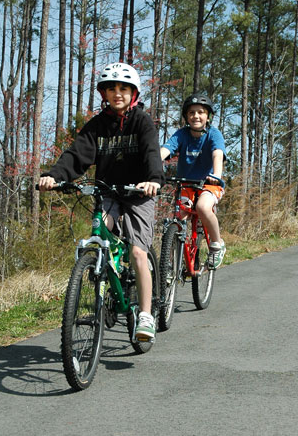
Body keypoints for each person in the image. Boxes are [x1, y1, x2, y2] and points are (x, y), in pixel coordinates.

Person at [38, 62, 164, 341]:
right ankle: (105, 275)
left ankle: (145, 314)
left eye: (123, 88)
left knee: (138, 253)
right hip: (107, 191)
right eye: (111, 89)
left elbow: (152, 153)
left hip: (139, 194)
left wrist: (154, 179)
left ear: (133, 93)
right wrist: (54, 176)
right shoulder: (97, 125)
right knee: (99, 231)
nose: (116, 93)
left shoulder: (141, 122)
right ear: (103, 93)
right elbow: (76, 155)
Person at [160, 92, 227, 269]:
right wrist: (152, 166)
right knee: (178, 218)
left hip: (209, 184)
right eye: (191, 113)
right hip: (186, 184)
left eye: (200, 112)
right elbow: (166, 150)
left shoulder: (214, 134)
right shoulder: (181, 135)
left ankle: (217, 245)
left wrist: (217, 175)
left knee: (203, 207)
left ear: (208, 116)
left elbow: (217, 154)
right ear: (186, 116)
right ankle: (169, 265)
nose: (196, 116)